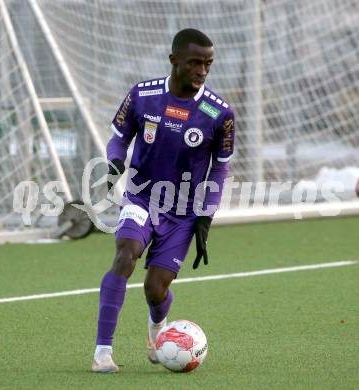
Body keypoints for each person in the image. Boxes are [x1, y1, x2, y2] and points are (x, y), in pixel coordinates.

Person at [92, 28, 235, 373]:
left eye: (208, 64)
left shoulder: (220, 114)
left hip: (183, 213)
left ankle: (158, 327)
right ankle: (102, 353)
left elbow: (219, 168)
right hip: (141, 198)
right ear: (174, 61)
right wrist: (114, 162)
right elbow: (118, 139)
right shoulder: (142, 96)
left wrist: (206, 215)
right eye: (195, 63)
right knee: (124, 256)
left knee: (155, 288)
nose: (202, 71)